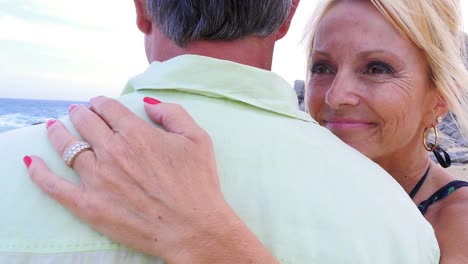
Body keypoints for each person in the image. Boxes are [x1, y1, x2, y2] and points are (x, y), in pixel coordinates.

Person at [2, 0, 440, 263]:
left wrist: (205, 236)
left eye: (378, 69)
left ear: (142, 9)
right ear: (287, 15)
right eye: (322, 67)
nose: (339, 95)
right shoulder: (400, 227)